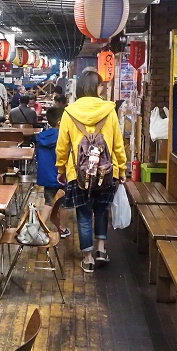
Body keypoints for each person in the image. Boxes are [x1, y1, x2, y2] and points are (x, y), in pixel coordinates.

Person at [56, 70, 127, 274]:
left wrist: (61, 168)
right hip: (107, 171)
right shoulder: (109, 111)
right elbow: (117, 145)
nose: (103, 89)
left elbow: (62, 146)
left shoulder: (69, 112)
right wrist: (121, 169)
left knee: (84, 213)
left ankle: (88, 258)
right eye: (101, 85)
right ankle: (101, 250)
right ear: (94, 88)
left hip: (78, 174)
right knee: (101, 210)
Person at [35, 107, 70, 237]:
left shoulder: (41, 137)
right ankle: (62, 229)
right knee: (65, 203)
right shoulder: (64, 136)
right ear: (60, 121)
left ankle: (39, 229)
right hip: (62, 175)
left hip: (46, 175)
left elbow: (38, 157)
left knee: (48, 203)